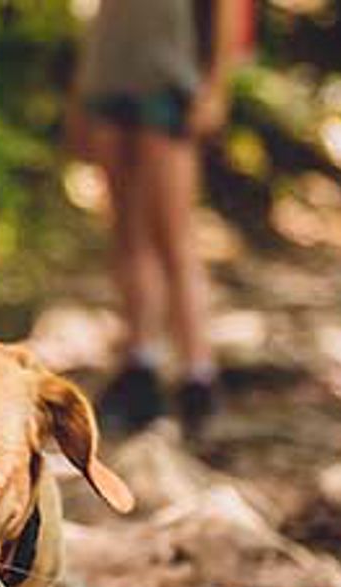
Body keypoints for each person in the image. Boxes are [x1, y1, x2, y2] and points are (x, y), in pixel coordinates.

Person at [73, 0, 247, 433]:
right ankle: (139, 364)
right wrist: (81, 91)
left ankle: (197, 374)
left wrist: (216, 85)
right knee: (126, 233)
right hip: (109, 76)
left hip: (170, 81)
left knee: (173, 236)